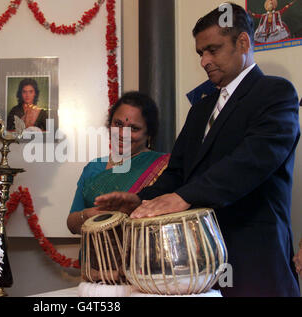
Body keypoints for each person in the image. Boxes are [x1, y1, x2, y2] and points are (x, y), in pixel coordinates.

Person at [95, 3, 300, 297]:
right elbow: (177, 174)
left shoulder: (275, 93)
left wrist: (184, 197)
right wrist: (138, 201)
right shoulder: (202, 107)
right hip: (196, 266)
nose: (204, 61)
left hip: (255, 259)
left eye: (212, 50)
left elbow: (252, 161)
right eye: (200, 53)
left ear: (243, 42)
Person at [67, 91, 170, 234]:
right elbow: (72, 224)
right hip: (95, 254)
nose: (122, 134)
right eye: (118, 124)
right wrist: (88, 215)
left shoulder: (164, 166)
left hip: (143, 254)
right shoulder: (93, 168)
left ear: (149, 133)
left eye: (134, 128)